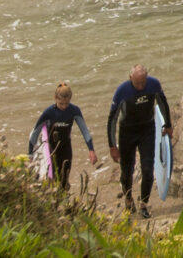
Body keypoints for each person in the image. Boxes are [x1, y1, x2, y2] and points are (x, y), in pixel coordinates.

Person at [107, 65, 174, 212]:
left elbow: (162, 103)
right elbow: (112, 119)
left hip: (147, 130)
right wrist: (112, 146)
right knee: (126, 172)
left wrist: (167, 125)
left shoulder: (153, 84)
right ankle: (129, 199)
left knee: (148, 169)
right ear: (130, 78)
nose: (140, 86)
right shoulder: (122, 91)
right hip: (127, 132)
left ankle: (144, 204)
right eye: (137, 83)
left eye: (143, 82)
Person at [27, 83, 96, 193]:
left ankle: (62, 200)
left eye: (66, 103)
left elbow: (85, 131)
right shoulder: (49, 112)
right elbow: (35, 133)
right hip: (51, 150)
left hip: (66, 148)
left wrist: (91, 149)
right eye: (61, 104)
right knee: (53, 179)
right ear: (55, 98)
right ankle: (53, 201)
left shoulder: (74, 111)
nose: (64, 106)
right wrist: (30, 154)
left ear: (70, 100)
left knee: (64, 179)